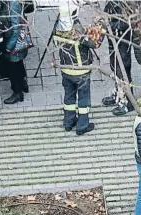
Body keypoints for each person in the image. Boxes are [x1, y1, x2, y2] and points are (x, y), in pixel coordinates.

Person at [53, 0, 105, 135]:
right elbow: (94, 44)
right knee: (83, 99)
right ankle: (82, 125)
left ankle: (68, 122)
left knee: (69, 98)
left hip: (65, 69)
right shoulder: (77, 31)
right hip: (80, 71)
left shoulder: (57, 26)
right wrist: (102, 27)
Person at [103, 1, 134, 116]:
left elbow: (128, 21)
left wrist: (110, 25)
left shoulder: (126, 3)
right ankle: (118, 94)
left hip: (123, 40)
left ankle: (127, 102)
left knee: (123, 70)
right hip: (113, 39)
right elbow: (107, 11)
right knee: (114, 67)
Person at [2, 0, 29, 105]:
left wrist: (8, 48)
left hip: (14, 42)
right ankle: (23, 84)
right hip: (17, 41)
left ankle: (17, 93)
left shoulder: (12, 4)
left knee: (13, 66)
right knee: (18, 62)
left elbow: (15, 30)